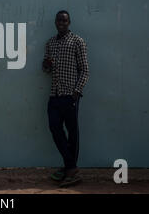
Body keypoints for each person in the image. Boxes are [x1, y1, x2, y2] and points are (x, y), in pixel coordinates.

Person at [42, 10, 89, 187]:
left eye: (64, 20)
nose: (61, 23)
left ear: (69, 22)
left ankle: (69, 169)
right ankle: (71, 168)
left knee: (73, 133)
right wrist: (46, 65)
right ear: (55, 22)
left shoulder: (78, 41)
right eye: (59, 20)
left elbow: (85, 70)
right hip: (54, 94)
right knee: (54, 128)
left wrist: (77, 91)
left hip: (71, 94)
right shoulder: (50, 43)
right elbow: (46, 69)